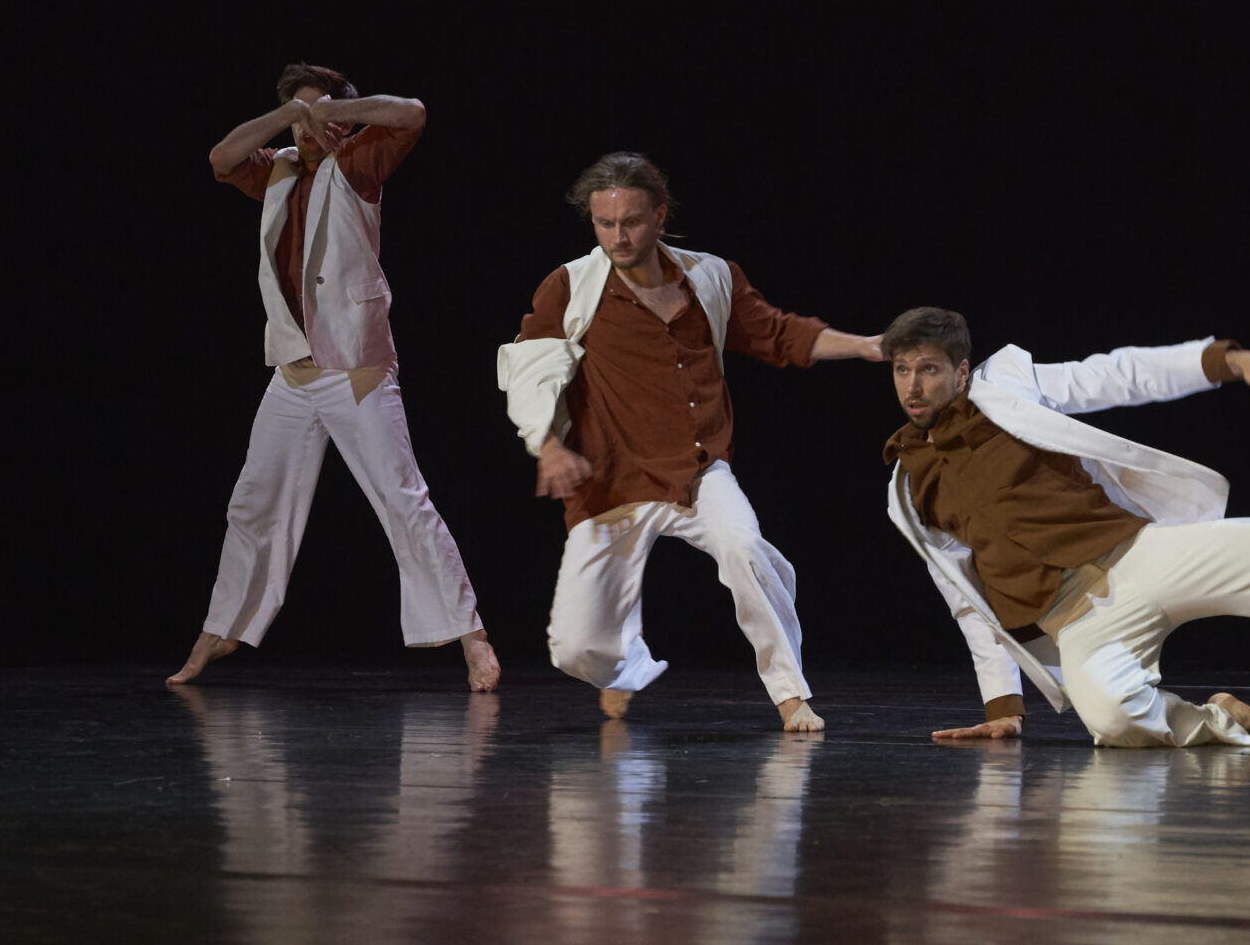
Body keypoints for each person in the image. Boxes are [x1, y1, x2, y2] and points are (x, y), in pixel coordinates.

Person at [498, 153, 883, 731]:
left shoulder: (710, 277)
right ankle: (625, 668)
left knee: (747, 550)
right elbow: (530, 368)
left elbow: (779, 335)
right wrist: (547, 445)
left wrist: (870, 346)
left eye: (630, 221)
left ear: (659, 215)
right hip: (609, 481)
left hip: (696, 469)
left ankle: (789, 693)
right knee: (574, 649)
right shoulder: (571, 286)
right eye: (605, 224)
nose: (618, 236)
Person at [878, 306, 1250, 747]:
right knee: (1115, 722)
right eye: (902, 370)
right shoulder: (910, 485)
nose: (912, 386)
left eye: (928, 369)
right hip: (1075, 622)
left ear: (961, 371)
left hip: (1137, 555)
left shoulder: (1005, 385)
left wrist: (1225, 361)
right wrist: (1003, 706)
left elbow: (1115, 375)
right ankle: (1227, 719)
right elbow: (967, 599)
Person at [171, 63, 500, 691]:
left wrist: (332, 114)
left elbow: (413, 111)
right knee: (253, 504)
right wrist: (291, 114)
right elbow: (220, 155)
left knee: (403, 502)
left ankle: (471, 637)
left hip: (355, 369)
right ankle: (219, 631)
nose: (312, 126)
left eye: (323, 115)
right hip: (293, 372)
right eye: (302, 116)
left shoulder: (359, 161)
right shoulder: (279, 168)